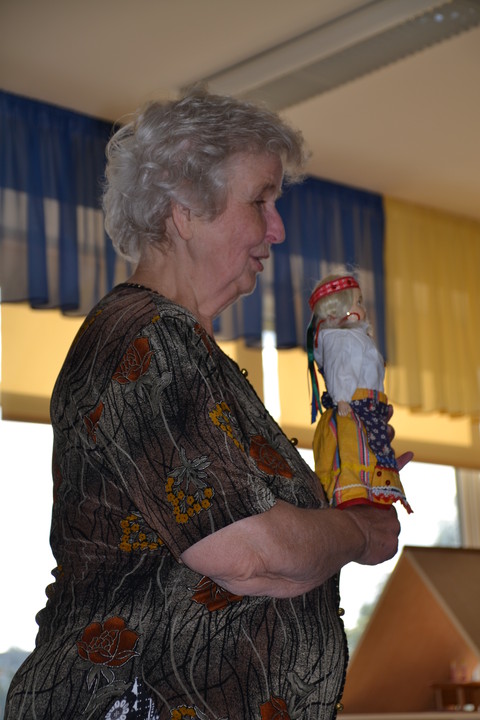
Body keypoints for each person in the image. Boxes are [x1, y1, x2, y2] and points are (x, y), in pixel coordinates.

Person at [6, 90, 404, 720]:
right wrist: (358, 531)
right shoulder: (147, 339)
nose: (278, 229)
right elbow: (252, 555)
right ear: (184, 208)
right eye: (260, 200)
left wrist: (349, 486)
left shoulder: (180, 348)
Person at [307, 273, 412, 514]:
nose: (363, 308)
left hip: (366, 408)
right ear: (337, 311)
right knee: (354, 452)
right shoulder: (343, 339)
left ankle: (368, 490)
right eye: (358, 302)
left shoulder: (352, 336)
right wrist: (342, 398)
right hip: (353, 409)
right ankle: (355, 491)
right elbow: (341, 370)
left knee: (368, 450)